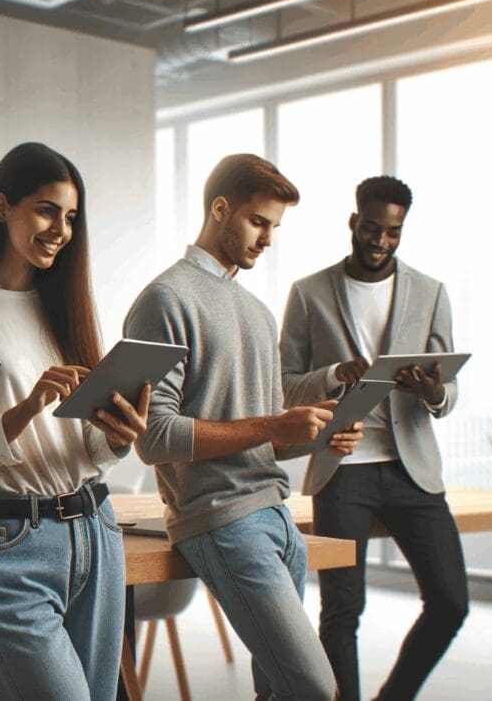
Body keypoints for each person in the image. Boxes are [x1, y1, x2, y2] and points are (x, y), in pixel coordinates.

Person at [124, 153, 362, 700]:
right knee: (315, 687)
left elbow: (266, 437)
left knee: (279, 690)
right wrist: (274, 425)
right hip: (222, 521)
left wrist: (322, 438)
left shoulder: (258, 312)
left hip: (278, 520)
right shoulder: (165, 299)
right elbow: (152, 437)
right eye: (259, 222)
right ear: (220, 209)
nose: (268, 239)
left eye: (276, 227)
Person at [0, 142, 147, 700]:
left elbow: (85, 448)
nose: (61, 229)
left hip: (96, 530)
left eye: (71, 217)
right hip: (9, 543)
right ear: (3, 207)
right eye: (47, 210)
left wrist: (116, 440)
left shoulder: (63, 307)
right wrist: (24, 410)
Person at [279, 175, 467, 701]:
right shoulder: (309, 293)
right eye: (371, 229)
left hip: (413, 468)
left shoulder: (431, 293)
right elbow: (283, 383)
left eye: (393, 232)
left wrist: (433, 392)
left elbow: (448, 387)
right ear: (353, 222)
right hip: (343, 468)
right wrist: (335, 373)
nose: (380, 242)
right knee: (342, 609)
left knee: (451, 601)